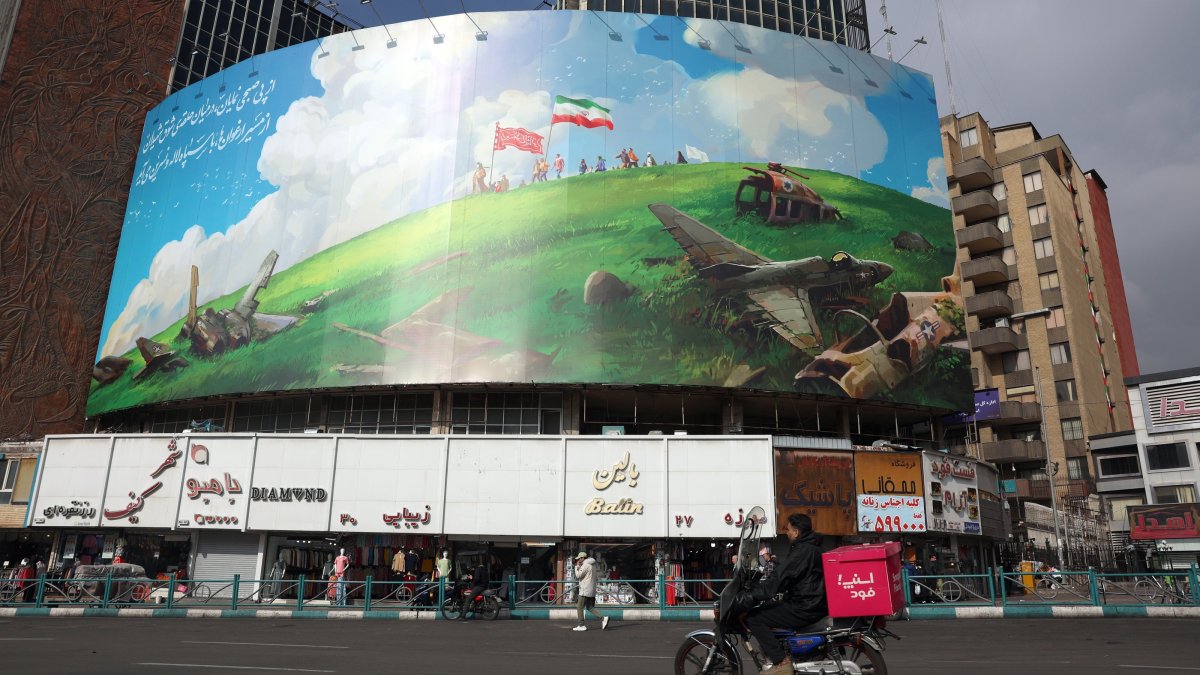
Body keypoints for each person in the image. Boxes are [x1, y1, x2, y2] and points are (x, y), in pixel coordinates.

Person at [745, 513, 828, 675]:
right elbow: (791, 577)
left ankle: (781, 662)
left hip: (805, 606)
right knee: (770, 608)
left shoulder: (802, 550)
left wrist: (754, 594)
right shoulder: (811, 547)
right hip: (812, 602)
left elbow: (780, 577)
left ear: (796, 532)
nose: (787, 533)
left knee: (755, 618)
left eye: (789, 530)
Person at [572, 551, 608, 631]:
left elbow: (578, 576)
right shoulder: (593, 565)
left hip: (585, 589)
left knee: (579, 607)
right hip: (591, 589)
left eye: (579, 559)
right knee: (589, 607)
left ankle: (581, 625)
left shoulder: (585, 565)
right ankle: (603, 618)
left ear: (582, 558)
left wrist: (576, 567)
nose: (578, 560)